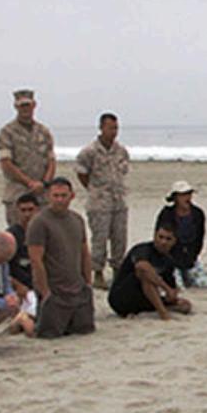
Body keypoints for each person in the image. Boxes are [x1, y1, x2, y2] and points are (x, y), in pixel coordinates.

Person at [27, 177, 97, 338]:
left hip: (78, 290)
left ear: (72, 196)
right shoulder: (39, 222)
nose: (59, 200)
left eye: (63, 195)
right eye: (56, 195)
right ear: (48, 196)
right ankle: (23, 320)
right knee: (48, 333)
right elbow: (36, 260)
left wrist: (88, 283)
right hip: (55, 292)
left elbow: (84, 253)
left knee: (84, 330)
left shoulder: (77, 220)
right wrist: (45, 292)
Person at [73, 113, 131, 288]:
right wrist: (94, 189)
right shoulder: (90, 151)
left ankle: (118, 270)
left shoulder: (121, 151)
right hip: (99, 202)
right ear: (101, 128)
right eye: (110, 128)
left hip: (119, 200)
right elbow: (81, 172)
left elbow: (124, 170)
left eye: (116, 128)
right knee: (100, 238)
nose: (113, 132)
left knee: (119, 238)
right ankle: (97, 272)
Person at [0, 88, 56, 228]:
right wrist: (29, 183)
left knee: (44, 234)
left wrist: (44, 183)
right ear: (15, 106)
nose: (25, 109)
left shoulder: (44, 132)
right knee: (18, 235)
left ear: (34, 105)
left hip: (42, 196)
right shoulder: (7, 132)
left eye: (27, 105)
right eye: (22, 105)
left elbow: (51, 160)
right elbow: (6, 163)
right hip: (18, 194)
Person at [109, 225, 194, 318]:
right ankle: (163, 314)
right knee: (145, 274)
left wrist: (172, 296)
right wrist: (165, 288)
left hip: (144, 297)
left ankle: (159, 309)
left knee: (185, 306)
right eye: (160, 237)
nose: (163, 242)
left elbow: (170, 286)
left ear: (174, 241)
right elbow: (142, 267)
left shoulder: (169, 259)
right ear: (154, 236)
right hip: (122, 297)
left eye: (168, 239)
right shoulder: (143, 249)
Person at [0, 190, 41, 336]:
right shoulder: (11, 236)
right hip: (20, 289)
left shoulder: (44, 232)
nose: (27, 214)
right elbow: (0, 268)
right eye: (23, 210)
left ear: (37, 210)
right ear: (17, 212)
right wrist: (17, 285)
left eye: (30, 210)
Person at [156, 181, 207, 288]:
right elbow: (160, 238)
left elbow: (200, 237)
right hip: (170, 258)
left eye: (189, 194)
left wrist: (193, 255)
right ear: (175, 197)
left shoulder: (197, 214)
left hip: (190, 258)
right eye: (183, 195)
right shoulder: (167, 214)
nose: (187, 197)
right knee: (177, 285)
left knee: (205, 284)